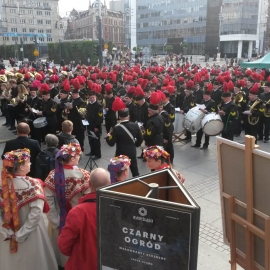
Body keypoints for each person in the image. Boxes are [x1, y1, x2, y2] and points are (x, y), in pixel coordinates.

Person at [0, 148, 57, 270]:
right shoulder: (33, 184)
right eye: (28, 162)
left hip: (6, 236)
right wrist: (21, 234)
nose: (30, 164)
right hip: (31, 235)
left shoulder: (2, 185)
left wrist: (5, 232)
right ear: (21, 167)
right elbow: (35, 214)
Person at [44, 143, 90, 268]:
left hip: (58, 218)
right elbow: (88, 199)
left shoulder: (52, 175)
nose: (79, 158)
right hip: (78, 219)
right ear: (73, 158)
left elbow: (48, 199)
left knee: (60, 247)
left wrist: (54, 220)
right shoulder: (83, 175)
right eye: (78, 155)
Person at [58, 168, 110, 270]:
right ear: (109, 183)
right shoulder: (117, 208)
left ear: (89, 184)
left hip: (82, 264)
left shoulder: (77, 212)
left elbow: (64, 245)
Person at [106, 98, 143, 177]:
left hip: (120, 152)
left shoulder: (116, 128)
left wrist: (108, 137)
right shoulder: (135, 125)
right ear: (128, 117)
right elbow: (140, 139)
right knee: (135, 171)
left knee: (119, 172)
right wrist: (135, 145)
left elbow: (111, 143)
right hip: (132, 151)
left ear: (119, 117)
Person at [192, 84, 216, 149]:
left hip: (208, 118)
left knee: (206, 132)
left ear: (209, 96)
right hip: (201, 118)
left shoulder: (212, 102)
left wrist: (206, 111)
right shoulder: (203, 101)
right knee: (199, 131)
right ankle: (198, 143)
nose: (203, 97)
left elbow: (213, 111)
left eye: (205, 95)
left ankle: (206, 144)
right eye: (203, 95)